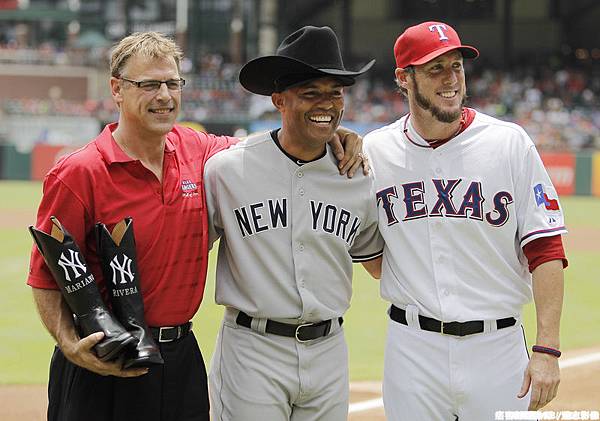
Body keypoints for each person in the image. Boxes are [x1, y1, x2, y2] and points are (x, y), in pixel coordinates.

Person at [27, 31, 367, 421]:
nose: (164, 96)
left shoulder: (202, 153)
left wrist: (330, 131)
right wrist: (71, 345)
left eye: (173, 83)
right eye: (149, 84)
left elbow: (278, 148)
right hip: (107, 357)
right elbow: (45, 275)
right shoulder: (79, 171)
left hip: (179, 357)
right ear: (117, 89)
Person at [362, 21, 568, 420]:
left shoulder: (508, 142)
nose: (450, 79)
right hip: (411, 350)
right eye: (434, 68)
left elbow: (547, 248)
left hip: (498, 348)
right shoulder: (376, 151)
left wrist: (546, 348)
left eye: (456, 66)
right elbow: (372, 256)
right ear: (404, 79)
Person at [204, 26, 384, 421]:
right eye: (311, 93)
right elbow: (188, 250)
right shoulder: (228, 170)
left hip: (329, 348)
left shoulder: (357, 175)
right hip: (253, 350)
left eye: (335, 92)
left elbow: (378, 263)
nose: (327, 104)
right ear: (278, 99)